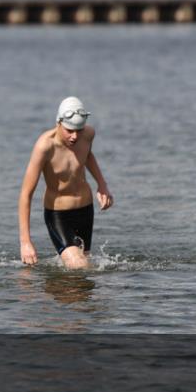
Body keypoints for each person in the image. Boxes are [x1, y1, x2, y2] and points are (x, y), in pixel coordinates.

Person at [18, 96, 113, 269]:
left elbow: (87, 156)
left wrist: (102, 184)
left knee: (81, 275)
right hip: (58, 215)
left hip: (85, 210)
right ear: (58, 122)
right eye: (69, 130)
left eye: (79, 129)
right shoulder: (45, 146)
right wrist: (25, 242)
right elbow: (26, 194)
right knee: (79, 265)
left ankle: (56, 291)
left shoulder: (88, 134)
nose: (75, 136)